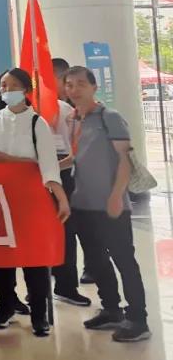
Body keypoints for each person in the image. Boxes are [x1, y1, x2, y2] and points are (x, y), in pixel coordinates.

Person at [0, 68, 71, 337]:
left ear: (26, 90)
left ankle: (39, 314)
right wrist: (23, 162)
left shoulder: (36, 122)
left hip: (31, 199)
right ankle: (6, 305)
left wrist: (60, 197)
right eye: (3, 86)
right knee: (3, 255)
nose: (7, 90)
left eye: (13, 86)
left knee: (34, 258)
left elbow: (48, 164)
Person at [64, 67, 150, 342]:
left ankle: (138, 319)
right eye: (69, 85)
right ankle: (111, 309)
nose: (74, 90)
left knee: (124, 260)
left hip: (111, 205)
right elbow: (76, 157)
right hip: (82, 203)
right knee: (96, 260)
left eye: (81, 84)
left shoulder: (109, 117)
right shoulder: (73, 120)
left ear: (94, 87)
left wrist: (116, 195)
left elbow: (124, 159)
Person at [51, 58, 93, 298]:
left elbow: (78, 151)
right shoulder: (34, 107)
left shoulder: (71, 110)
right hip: (46, 173)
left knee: (75, 228)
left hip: (71, 174)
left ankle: (77, 276)